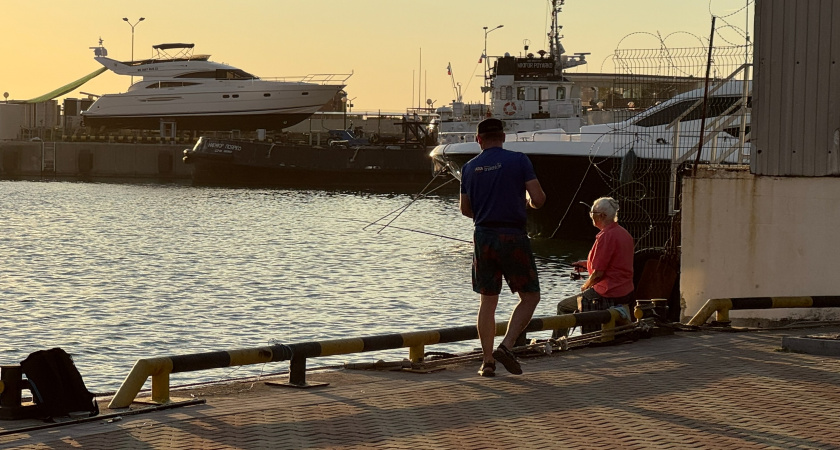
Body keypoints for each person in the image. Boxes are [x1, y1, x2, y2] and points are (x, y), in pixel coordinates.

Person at [459, 118, 546, 377]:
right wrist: (528, 203)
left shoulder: (469, 168)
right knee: (530, 296)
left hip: (483, 236)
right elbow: (539, 199)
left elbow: (465, 209)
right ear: (503, 137)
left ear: (478, 140)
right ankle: (506, 346)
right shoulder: (519, 160)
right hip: (513, 235)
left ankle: (487, 362)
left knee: (487, 301)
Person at [572, 197, 635, 333]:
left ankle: (558, 340)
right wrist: (586, 264)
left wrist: (585, 286)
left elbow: (598, 274)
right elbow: (615, 263)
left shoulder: (606, 236)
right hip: (626, 290)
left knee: (563, 306)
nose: (590, 216)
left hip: (609, 291)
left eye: (592, 213)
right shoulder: (624, 234)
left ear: (601, 216)